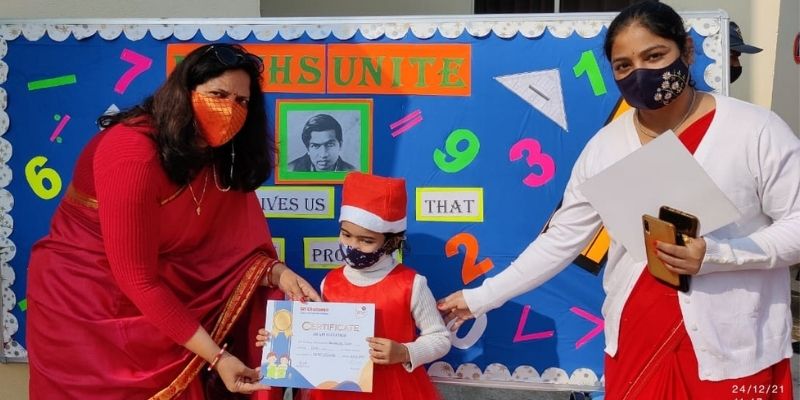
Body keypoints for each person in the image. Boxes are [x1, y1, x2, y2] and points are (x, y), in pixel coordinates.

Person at [438, 2, 798, 399]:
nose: (640, 72)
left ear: (687, 51)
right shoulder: (605, 148)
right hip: (638, 343)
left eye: (654, 56)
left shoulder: (753, 131)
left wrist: (718, 255)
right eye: (624, 65)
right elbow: (560, 241)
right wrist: (480, 298)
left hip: (736, 349)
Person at [26, 43, 321, 400]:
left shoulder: (219, 154)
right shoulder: (131, 152)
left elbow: (229, 248)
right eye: (218, 94)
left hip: (169, 299)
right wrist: (218, 357)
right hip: (86, 306)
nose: (230, 109)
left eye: (241, 101)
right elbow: (138, 279)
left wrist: (277, 274)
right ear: (184, 93)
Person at [258, 172, 450, 400]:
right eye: (346, 235)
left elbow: (440, 338)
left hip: (392, 390)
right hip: (336, 391)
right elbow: (317, 340)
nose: (353, 246)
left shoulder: (411, 284)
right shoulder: (330, 282)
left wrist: (405, 352)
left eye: (366, 240)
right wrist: (278, 340)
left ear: (392, 242)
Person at [287, 114, 356, 172]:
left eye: (330, 145)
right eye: (315, 146)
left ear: (340, 145)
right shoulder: (290, 170)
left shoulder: (353, 172)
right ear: (308, 148)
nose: (323, 155)